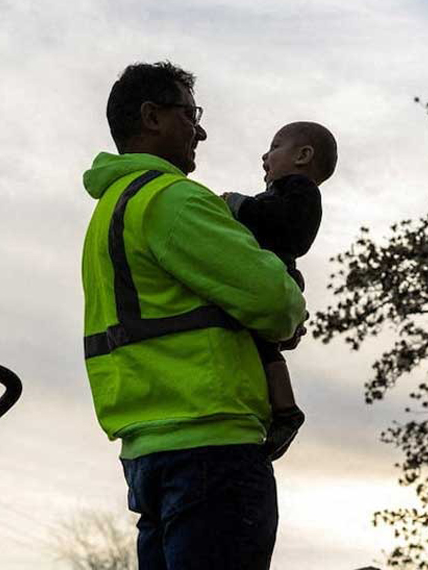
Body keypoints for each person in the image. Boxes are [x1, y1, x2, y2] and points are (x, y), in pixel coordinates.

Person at [81, 61, 306, 570]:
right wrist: (289, 291)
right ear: (151, 117)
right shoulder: (173, 201)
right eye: (190, 114)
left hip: (148, 454)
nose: (200, 129)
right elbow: (277, 304)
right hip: (213, 448)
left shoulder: (111, 210)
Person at [222, 121, 337, 461]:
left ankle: (285, 410)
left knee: (265, 347)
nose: (264, 156)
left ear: (303, 155)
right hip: (268, 276)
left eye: (274, 147)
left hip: (279, 275)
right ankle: (281, 408)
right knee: (262, 349)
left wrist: (240, 206)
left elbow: (292, 231)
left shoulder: (299, 190)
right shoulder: (280, 194)